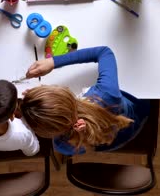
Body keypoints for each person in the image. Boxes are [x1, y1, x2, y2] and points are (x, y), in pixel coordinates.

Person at [20, 46, 151, 155]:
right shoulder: (105, 94)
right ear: (63, 93)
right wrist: (53, 62)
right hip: (133, 121)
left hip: (110, 143)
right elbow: (104, 52)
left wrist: (35, 107)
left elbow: (75, 134)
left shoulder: (62, 145)